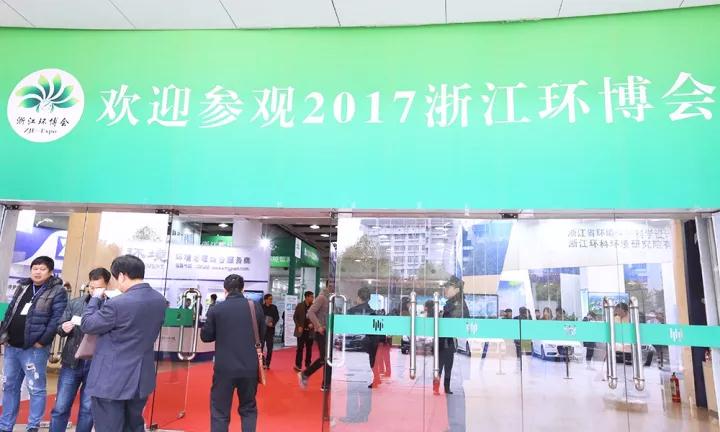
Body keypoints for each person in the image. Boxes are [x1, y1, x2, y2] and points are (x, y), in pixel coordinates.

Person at [81, 255, 167, 432]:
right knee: (133, 425)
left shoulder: (117, 304)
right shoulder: (159, 300)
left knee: (108, 426)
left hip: (111, 379)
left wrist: (95, 298)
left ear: (122, 276)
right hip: (141, 377)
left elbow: (88, 324)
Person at [0, 256, 68, 432]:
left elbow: (56, 319)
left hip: (34, 348)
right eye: (35, 268)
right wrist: (3, 335)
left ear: (50, 272)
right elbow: (10, 312)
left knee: (35, 388)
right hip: (12, 345)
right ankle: (5, 426)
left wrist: (42, 341)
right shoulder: (23, 286)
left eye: (42, 269)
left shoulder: (57, 291)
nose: (37, 272)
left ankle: (32, 426)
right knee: (9, 386)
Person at [201, 274, 265, 432]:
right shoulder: (255, 307)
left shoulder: (216, 309)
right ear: (243, 289)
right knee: (248, 409)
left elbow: (206, 336)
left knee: (220, 411)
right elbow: (262, 335)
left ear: (225, 290)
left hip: (224, 368)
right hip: (249, 367)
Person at [49, 267, 110, 432]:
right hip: (72, 360)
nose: (94, 291)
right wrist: (63, 327)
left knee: (87, 409)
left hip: (97, 363)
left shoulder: (111, 306)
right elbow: (59, 327)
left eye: (99, 288)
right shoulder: (75, 303)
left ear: (107, 285)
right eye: (91, 287)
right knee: (61, 406)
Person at [436, 276, 470, 395]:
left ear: (457, 289)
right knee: (440, 366)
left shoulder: (459, 304)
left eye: (448, 287)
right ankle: (437, 387)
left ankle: (445, 387)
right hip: (443, 341)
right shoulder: (450, 303)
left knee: (447, 366)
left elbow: (460, 321)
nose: (445, 290)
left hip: (449, 341)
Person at [298, 288, 331, 390]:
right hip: (322, 332)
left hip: (329, 332)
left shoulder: (331, 298)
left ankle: (325, 384)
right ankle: (306, 374)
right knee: (325, 358)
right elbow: (310, 312)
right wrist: (318, 326)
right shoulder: (322, 298)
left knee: (328, 358)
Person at [346, 287, 378, 387]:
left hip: (354, 347)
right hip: (369, 346)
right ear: (369, 299)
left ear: (359, 297)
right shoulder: (373, 313)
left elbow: (347, 329)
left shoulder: (351, 312)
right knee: (371, 363)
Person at [293, 291, 315, 372]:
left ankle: (308, 364)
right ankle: (298, 365)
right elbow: (295, 317)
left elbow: (317, 317)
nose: (313, 298)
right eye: (311, 297)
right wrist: (298, 326)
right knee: (300, 348)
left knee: (309, 348)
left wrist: (313, 324)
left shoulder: (314, 306)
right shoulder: (300, 305)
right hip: (301, 331)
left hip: (310, 331)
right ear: (307, 297)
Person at [261, 294, 279, 369]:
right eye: (269, 299)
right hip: (262, 330)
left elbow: (277, 317)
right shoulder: (261, 307)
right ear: (265, 300)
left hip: (270, 330)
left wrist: (273, 323)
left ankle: (268, 363)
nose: (271, 300)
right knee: (261, 348)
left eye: (271, 299)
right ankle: (262, 362)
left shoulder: (274, 307)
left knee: (270, 348)